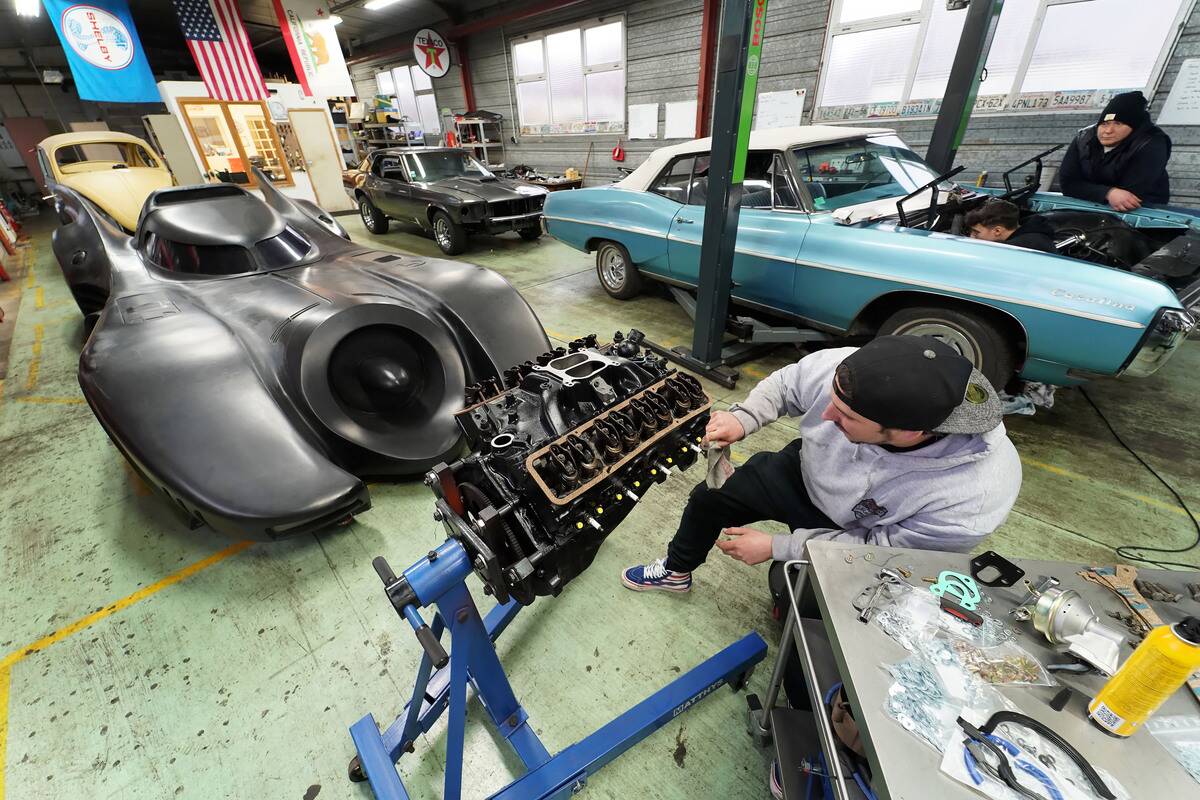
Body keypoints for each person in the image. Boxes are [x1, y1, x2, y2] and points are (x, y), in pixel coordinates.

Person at [620, 336, 1022, 593]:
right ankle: (676, 571)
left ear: (911, 432)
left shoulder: (972, 496)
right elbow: (787, 384)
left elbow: (880, 552)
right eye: (832, 401)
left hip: (861, 529)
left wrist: (779, 547)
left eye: (847, 416)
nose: (825, 416)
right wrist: (745, 418)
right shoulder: (856, 369)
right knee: (709, 499)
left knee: (807, 608)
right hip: (806, 472)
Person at [1059, 91, 1171, 212]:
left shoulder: (1151, 142)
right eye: (1104, 124)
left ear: (1134, 127)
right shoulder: (1084, 137)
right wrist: (1108, 193)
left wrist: (1088, 190)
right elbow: (1068, 184)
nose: (1108, 131)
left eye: (1118, 123)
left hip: (1144, 210)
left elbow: (1129, 197)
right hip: (1090, 204)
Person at [965, 198, 1057, 253]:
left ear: (997, 231)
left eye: (976, 233)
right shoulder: (1034, 234)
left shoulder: (1015, 249)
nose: (971, 237)